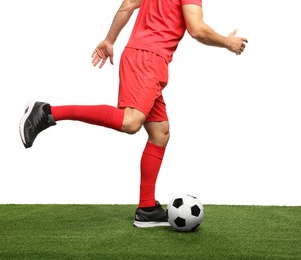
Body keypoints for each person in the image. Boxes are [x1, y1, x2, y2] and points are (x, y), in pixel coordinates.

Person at [19, 0, 247, 228]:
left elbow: (128, 4)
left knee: (160, 133)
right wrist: (228, 42)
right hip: (148, 59)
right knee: (131, 122)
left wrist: (109, 40)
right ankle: (47, 112)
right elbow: (197, 29)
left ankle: (147, 209)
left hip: (143, 56)